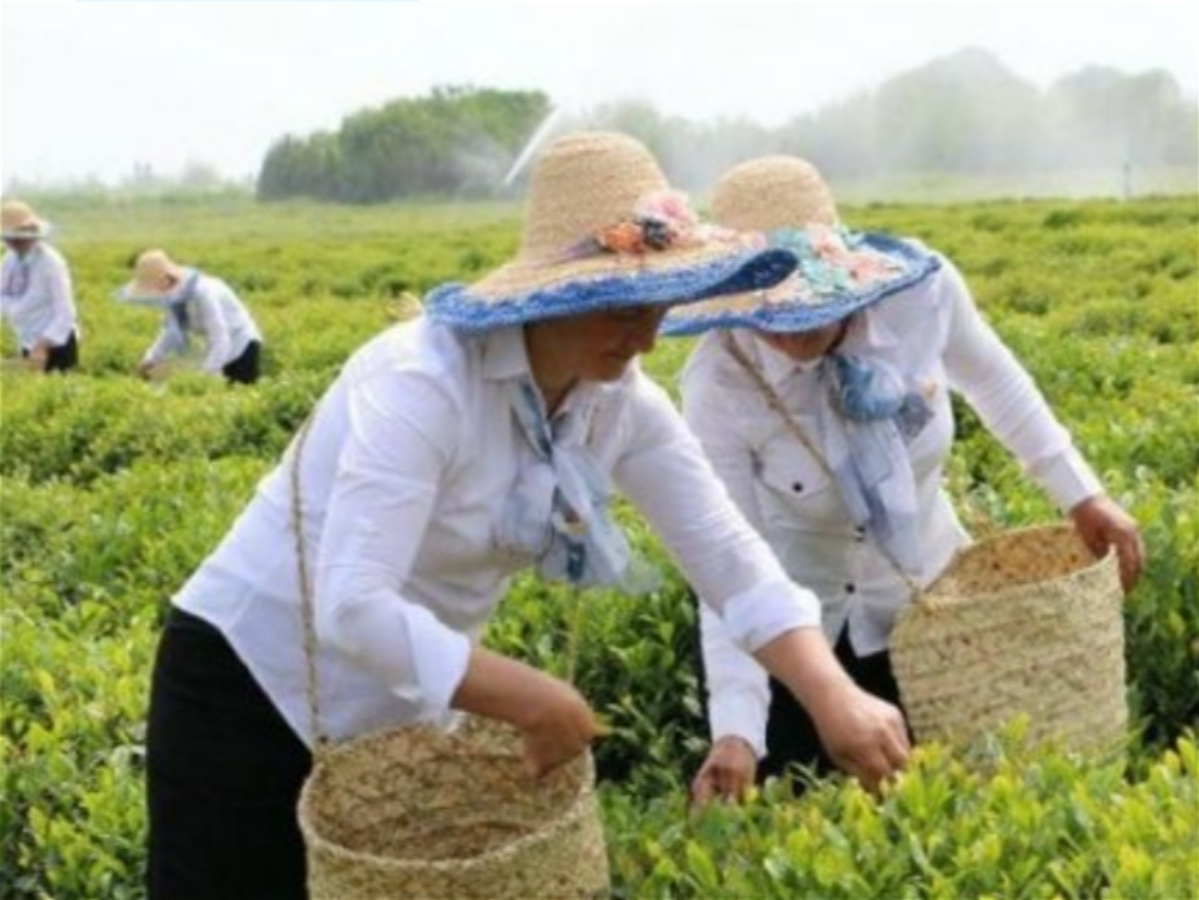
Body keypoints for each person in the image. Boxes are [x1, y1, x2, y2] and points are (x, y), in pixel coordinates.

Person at [144, 132, 912, 900]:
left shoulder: (619, 402)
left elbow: (729, 557)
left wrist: (831, 694)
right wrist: (534, 698)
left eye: (661, 303)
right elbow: (352, 603)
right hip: (245, 682)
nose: (646, 335)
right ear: (550, 295)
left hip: (397, 710)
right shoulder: (422, 380)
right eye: (620, 305)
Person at [666, 156, 1145, 805]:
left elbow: (996, 382)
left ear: (843, 273)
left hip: (932, 614)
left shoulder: (921, 296)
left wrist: (1084, 495)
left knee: (965, 807)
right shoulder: (720, 383)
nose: (788, 329)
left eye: (807, 302)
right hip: (799, 643)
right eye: (763, 311)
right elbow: (728, 567)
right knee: (814, 816)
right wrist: (737, 732)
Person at [116, 248, 264, 384]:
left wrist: (205, 376)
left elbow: (220, 337)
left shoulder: (203, 293)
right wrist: (149, 359)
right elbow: (169, 333)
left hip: (242, 345)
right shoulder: (172, 298)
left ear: (168, 278)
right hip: (217, 347)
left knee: (236, 393)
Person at [0, 200, 80, 373]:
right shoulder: (9, 261)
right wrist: (13, 308)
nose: (15, 243)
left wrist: (43, 345)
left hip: (57, 343)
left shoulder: (51, 263)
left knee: (57, 392)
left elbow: (65, 313)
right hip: (27, 338)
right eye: (10, 238)